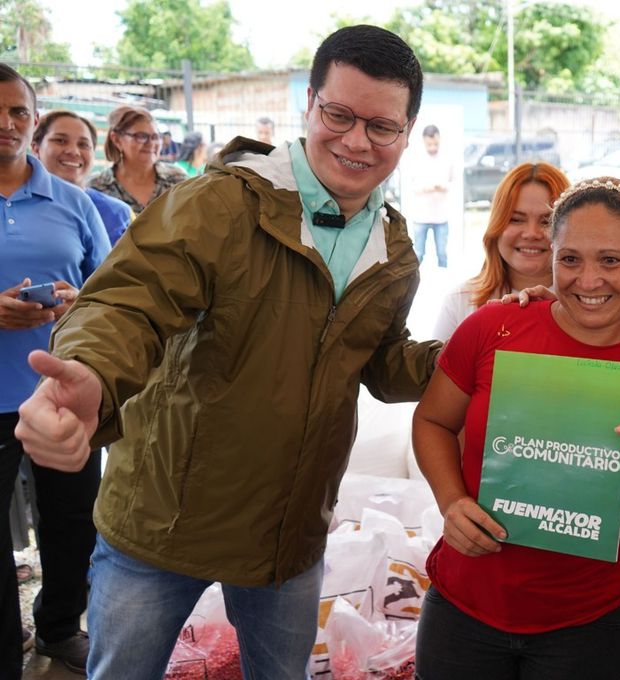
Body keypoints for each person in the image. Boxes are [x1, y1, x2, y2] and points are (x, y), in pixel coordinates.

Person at [15, 25, 442, 679]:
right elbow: (129, 302)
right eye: (339, 114)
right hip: (164, 523)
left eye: (381, 127)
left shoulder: (393, 245)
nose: (357, 141)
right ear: (309, 104)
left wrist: (476, 354)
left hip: (288, 535)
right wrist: (92, 373)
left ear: (407, 133)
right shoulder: (218, 205)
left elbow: (382, 361)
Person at [412, 176, 620, 680]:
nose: (588, 280)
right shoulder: (494, 328)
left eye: (611, 261)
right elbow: (432, 421)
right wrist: (451, 501)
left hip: (589, 624)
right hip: (466, 604)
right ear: (551, 256)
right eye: (570, 259)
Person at [0, 64, 111, 677]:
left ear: (33, 120)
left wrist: (77, 300)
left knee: (71, 522)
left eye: (18, 111)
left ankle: (60, 627)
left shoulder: (74, 201)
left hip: (62, 394)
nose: (7, 123)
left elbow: (114, 287)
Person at [432, 161, 569, 341]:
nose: (531, 234)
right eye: (516, 219)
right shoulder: (460, 301)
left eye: (546, 222)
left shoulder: (589, 306)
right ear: (496, 226)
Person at [31, 110, 133, 245]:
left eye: (83, 144)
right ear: (36, 148)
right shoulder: (12, 206)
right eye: (60, 141)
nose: (73, 151)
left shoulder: (118, 214)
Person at [89, 105, 187, 215]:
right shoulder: (97, 188)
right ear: (116, 139)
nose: (150, 144)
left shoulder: (177, 180)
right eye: (141, 136)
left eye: (155, 137)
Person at [408, 124, 454, 267]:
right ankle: (413, 286)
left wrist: (443, 186)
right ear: (423, 141)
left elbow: (453, 182)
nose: (433, 147)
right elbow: (412, 186)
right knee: (418, 254)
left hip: (441, 216)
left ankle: (444, 284)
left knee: (442, 254)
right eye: (429, 144)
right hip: (421, 215)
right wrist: (426, 188)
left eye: (436, 143)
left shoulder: (447, 159)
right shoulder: (417, 159)